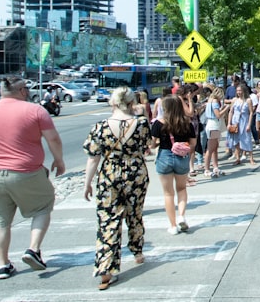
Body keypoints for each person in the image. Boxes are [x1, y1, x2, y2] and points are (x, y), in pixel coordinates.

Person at [0, 75, 65, 280]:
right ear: (22, 91)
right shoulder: (35, 110)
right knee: (43, 207)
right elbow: (53, 138)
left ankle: (3, 265)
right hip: (26, 171)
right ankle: (33, 249)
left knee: (1, 222)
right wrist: (58, 160)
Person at [83, 86, 150, 290]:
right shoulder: (140, 124)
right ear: (132, 103)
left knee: (107, 221)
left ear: (112, 103)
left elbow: (93, 158)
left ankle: (106, 269)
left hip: (109, 174)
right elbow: (148, 146)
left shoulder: (100, 126)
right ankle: (137, 251)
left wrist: (87, 183)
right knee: (135, 213)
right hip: (135, 171)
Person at [150, 94, 197, 235]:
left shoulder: (158, 123)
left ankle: (173, 225)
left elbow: (152, 144)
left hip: (164, 156)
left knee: (168, 193)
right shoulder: (186, 123)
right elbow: (193, 143)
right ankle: (182, 216)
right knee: (181, 189)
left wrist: (157, 143)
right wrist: (182, 145)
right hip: (181, 158)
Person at [202, 87, 229, 177]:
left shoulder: (210, 101)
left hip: (213, 124)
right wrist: (226, 109)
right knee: (210, 148)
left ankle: (215, 166)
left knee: (214, 147)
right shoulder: (214, 102)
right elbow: (218, 115)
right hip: (213, 125)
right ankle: (206, 169)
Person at [227, 83, 255, 166]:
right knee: (236, 140)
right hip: (235, 121)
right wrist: (229, 123)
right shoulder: (234, 100)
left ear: (243, 91)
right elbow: (231, 112)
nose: (238, 92)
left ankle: (251, 158)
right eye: (237, 90)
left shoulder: (248, 100)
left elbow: (251, 112)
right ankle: (237, 158)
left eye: (240, 90)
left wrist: (249, 124)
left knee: (247, 139)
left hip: (244, 121)